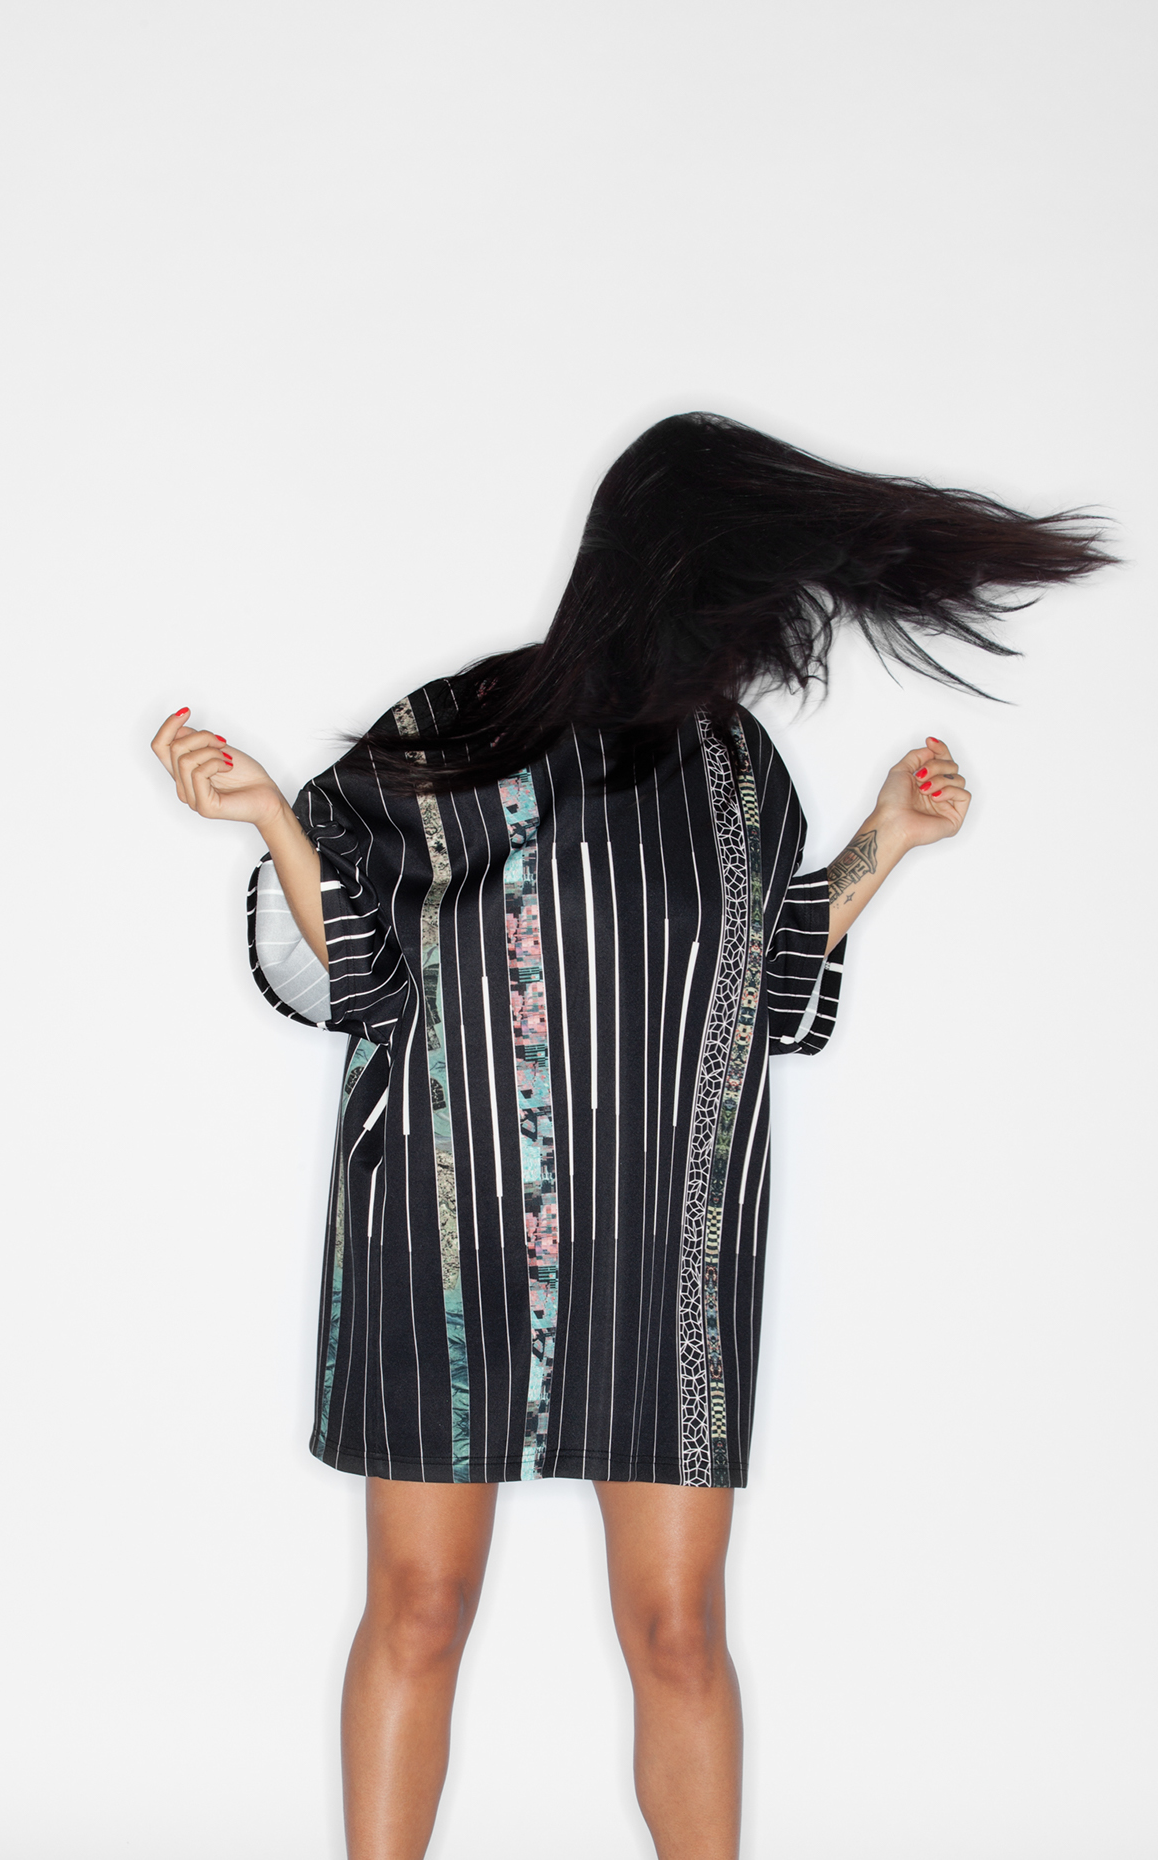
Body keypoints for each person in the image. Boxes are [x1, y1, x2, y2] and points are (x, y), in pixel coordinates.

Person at [150, 413, 1109, 1860]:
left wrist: (882, 845)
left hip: (664, 1255)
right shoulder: (455, 729)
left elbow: (756, 993)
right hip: (445, 1233)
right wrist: (274, 819)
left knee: (676, 1624)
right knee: (421, 1606)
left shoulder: (735, 770)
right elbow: (360, 973)